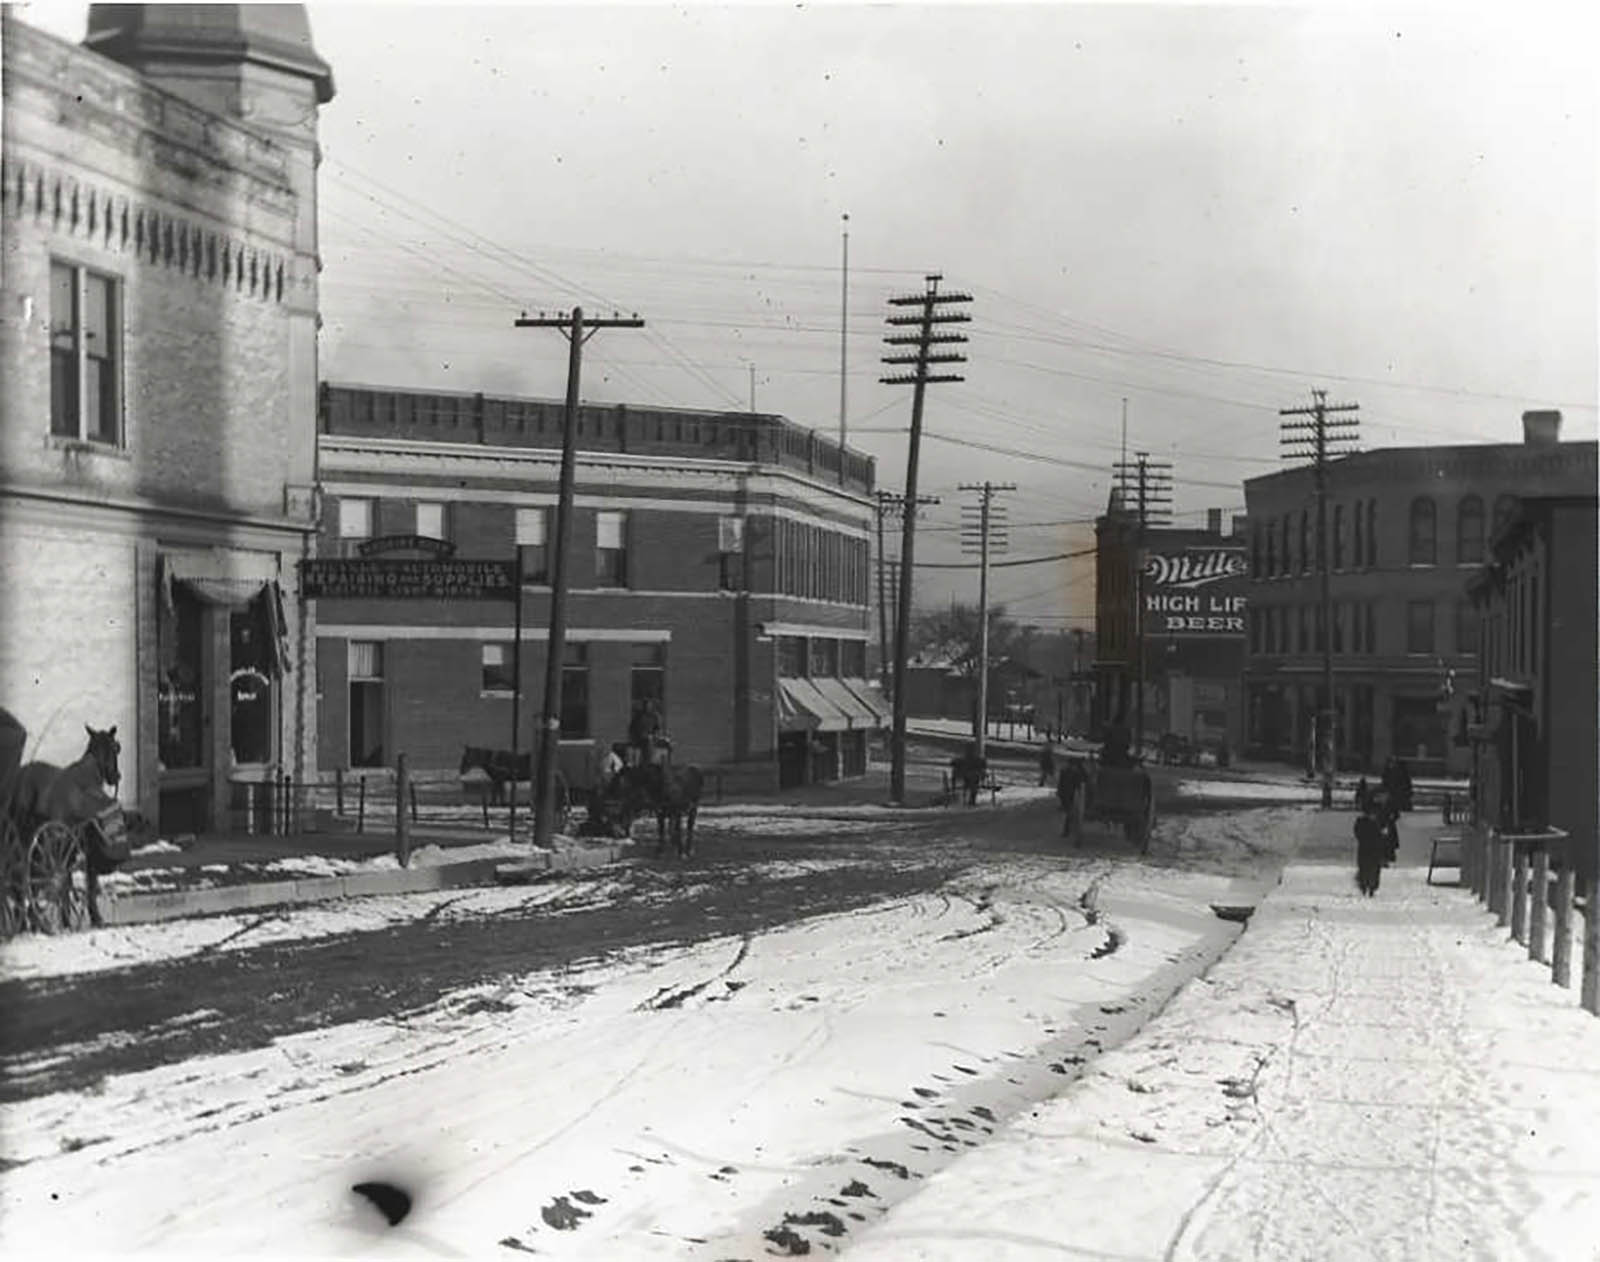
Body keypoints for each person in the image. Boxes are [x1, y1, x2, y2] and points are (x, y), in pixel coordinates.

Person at [1353, 804, 1385, 896]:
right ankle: (1364, 885)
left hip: (1373, 848)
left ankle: (1371, 887)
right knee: (1365, 867)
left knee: (1373, 868)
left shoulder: (1378, 822)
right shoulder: (1364, 822)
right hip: (1366, 848)